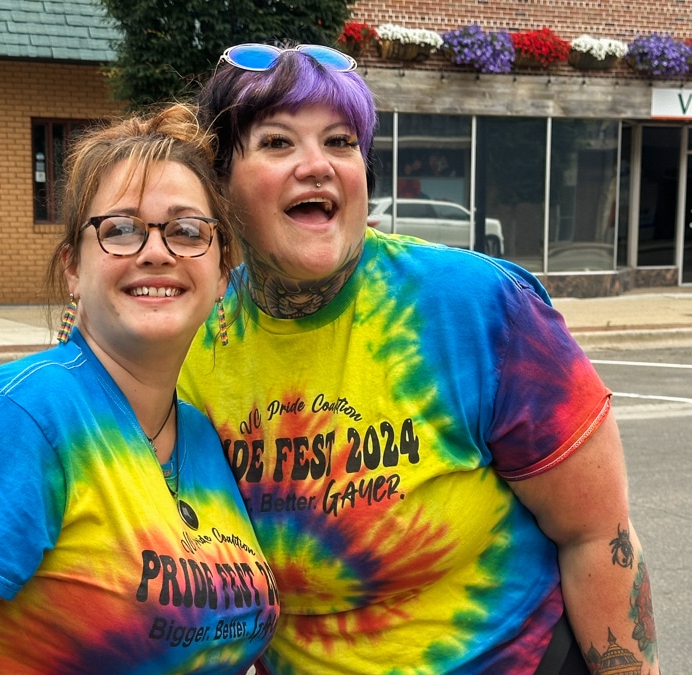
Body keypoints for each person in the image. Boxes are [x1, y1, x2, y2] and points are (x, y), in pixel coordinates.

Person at [178, 43, 659, 674]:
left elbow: (596, 534)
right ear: (220, 185)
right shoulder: (190, 339)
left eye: (341, 141)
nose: (317, 165)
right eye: (277, 142)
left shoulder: (476, 308)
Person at [0, 104, 278, 674]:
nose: (156, 251)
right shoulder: (12, 420)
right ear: (73, 267)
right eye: (120, 229)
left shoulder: (198, 434)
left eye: (188, 231)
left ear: (222, 272)